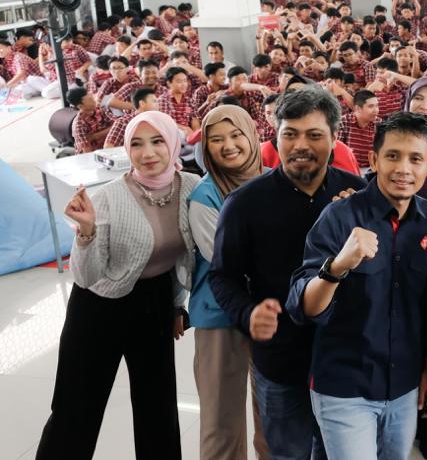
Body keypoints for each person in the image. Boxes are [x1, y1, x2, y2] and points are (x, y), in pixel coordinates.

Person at [209, 87, 365, 459]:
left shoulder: (358, 195)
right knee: (288, 453)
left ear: (334, 138)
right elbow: (222, 276)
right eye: (289, 134)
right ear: (274, 136)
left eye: (314, 135)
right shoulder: (245, 204)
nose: (300, 145)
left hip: (347, 359)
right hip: (281, 360)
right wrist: (248, 313)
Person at [37, 111, 198, 459]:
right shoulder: (110, 196)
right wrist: (87, 232)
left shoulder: (190, 188)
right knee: (76, 407)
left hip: (154, 303)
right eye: (136, 144)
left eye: (157, 141)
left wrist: (175, 305)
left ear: (173, 143)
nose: (148, 153)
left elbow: (180, 259)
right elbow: (86, 275)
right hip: (97, 307)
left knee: (158, 408)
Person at [286, 112, 427, 460]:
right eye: (392, 156)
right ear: (373, 160)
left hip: (403, 386)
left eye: (415, 158)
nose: (403, 168)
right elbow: (303, 306)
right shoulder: (340, 217)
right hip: (345, 387)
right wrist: (339, 265)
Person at [187, 106, 269, 460]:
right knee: (223, 422)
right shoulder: (205, 196)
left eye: (236, 135)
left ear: (251, 135)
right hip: (221, 317)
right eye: (216, 139)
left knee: (274, 416)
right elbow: (226, 262)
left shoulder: (272, 180)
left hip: (272, 313)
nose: (229, 145)